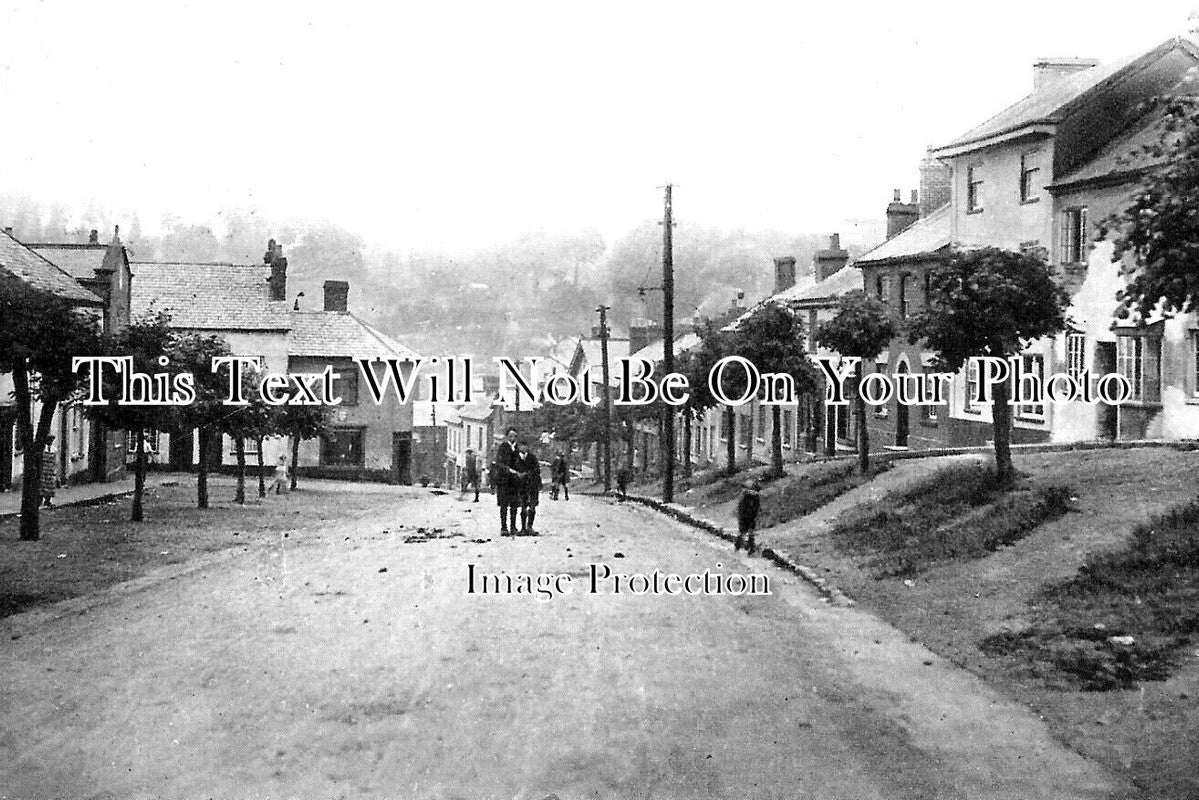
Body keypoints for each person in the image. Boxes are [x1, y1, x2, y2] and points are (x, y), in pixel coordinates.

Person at [493, 427, 520, 535]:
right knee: (504, 505)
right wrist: (508, 470)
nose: (513, 438)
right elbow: (499, 462)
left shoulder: (518, 448)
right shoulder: (503, 447)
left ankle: (513, 526)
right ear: (507, 437)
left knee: (514, 505)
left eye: (515, 436)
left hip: (515, 481)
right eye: (511, 436)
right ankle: (504, 527)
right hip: (504, 480)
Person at [514, 442, 542, 534]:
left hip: (532, 485)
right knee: (523, 506)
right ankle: (523, 528)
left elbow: (536, 470)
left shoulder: (532, 457)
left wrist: (526, 474)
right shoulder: (515, 458)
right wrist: (517, 475)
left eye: (525, 446)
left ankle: (530, 527)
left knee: (532, 506)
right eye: (521, 446)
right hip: (520, 485)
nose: (523, 448)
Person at [735, 479, 761, 555]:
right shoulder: (745, 497)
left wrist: (755, 516)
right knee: (743, 533)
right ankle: (738, 547)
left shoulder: (756, 498)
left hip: (751, 517)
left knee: (750, 533)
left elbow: (757, 508)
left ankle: (751, 549)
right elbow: (741, 508)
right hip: (744, 517)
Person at [40, 435, 58, 508]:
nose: (50, 442)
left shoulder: (54, 450)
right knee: (42, 485)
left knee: (50, 486)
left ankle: (47, 501)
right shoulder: (42, 449)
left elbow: (55, 461)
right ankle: (39, 500)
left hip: (50, 470)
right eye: (49, 440)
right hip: (43, 469)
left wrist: (55, 471)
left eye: (51, 441)